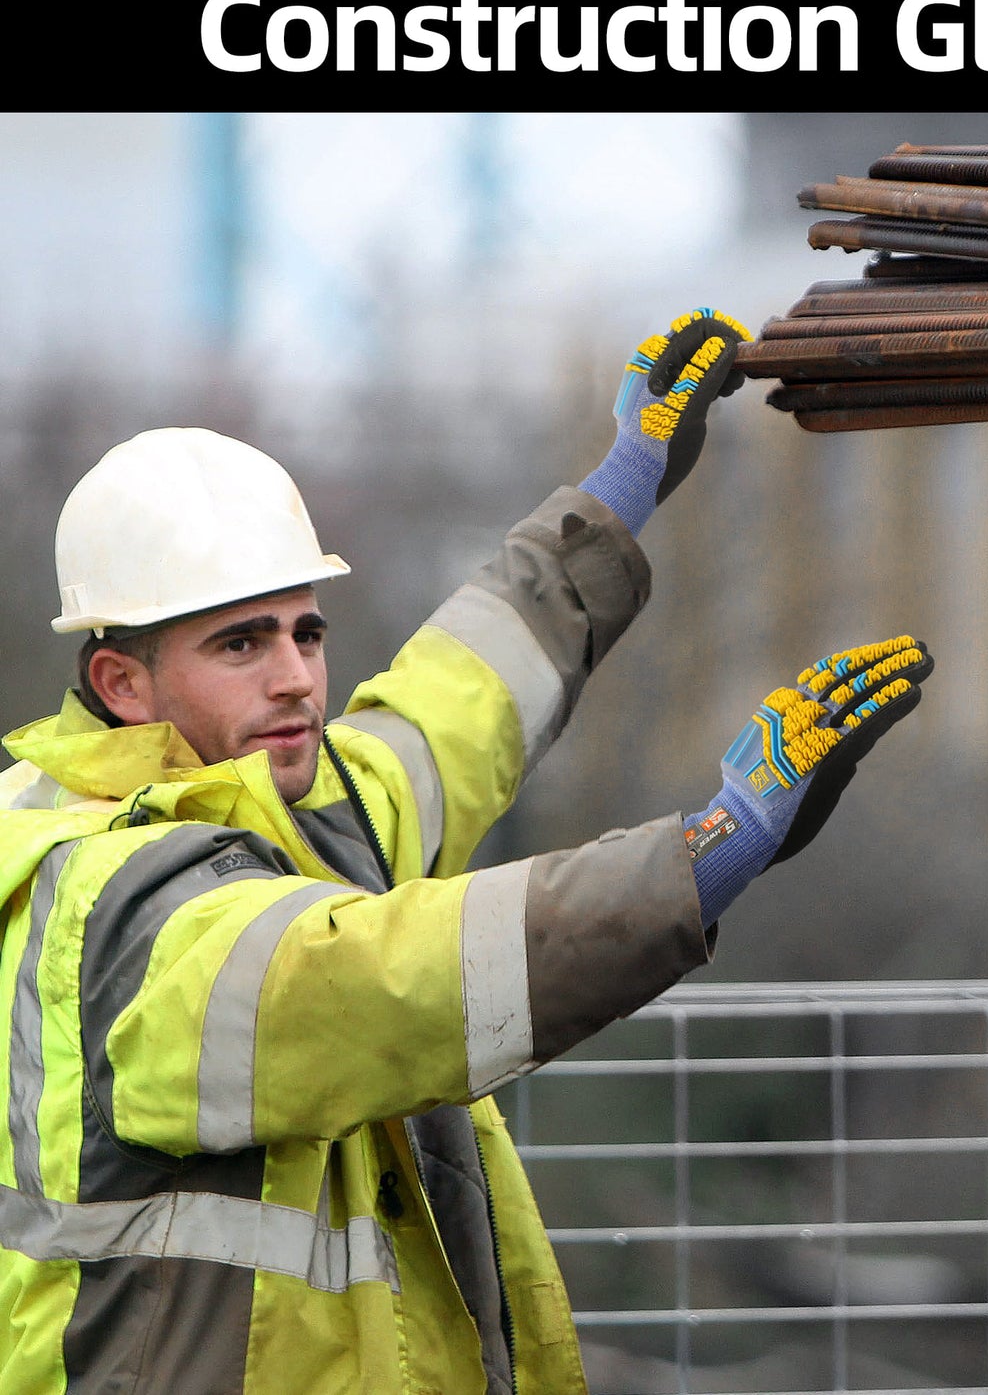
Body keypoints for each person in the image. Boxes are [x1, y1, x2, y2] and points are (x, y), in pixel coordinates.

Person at [0, 309, 932, 1393]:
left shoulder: (276, 809)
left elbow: (452, 706)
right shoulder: (115, 909)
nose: (297, 676)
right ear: (121, 683)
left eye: (306, 630)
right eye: (240, 642)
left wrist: (620, 483)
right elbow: (391, 979)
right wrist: (712, 848)